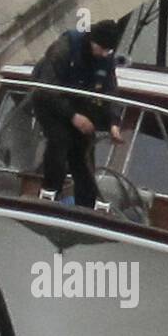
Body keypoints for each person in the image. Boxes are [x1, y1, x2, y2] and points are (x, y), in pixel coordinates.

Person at [30, 19, 126, 208]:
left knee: (84, 151)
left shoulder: (105, 58)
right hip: (49, 101)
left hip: (79, 103)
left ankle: (86, 204)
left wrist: (113, 122)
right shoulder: (64, 48)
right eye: (102, 48)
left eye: (109, 51)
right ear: (93, 40)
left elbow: (110, 90)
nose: (104, 54)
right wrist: (73, 116)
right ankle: (49, 193)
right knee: (59, 140)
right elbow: (46, 86)